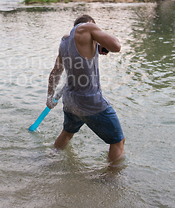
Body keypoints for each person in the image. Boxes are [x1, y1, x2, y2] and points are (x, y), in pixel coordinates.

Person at [46, 14, 125, 163]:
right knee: (118, 141)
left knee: (67, 133)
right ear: (91, 24)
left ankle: (49, 159)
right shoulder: (88, 27)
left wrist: (50, 98)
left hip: (70, 102)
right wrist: (99, 37)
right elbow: (116, 46)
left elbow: (55, 73)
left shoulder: (64, 41)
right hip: (90, 102)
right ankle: (111, 179)